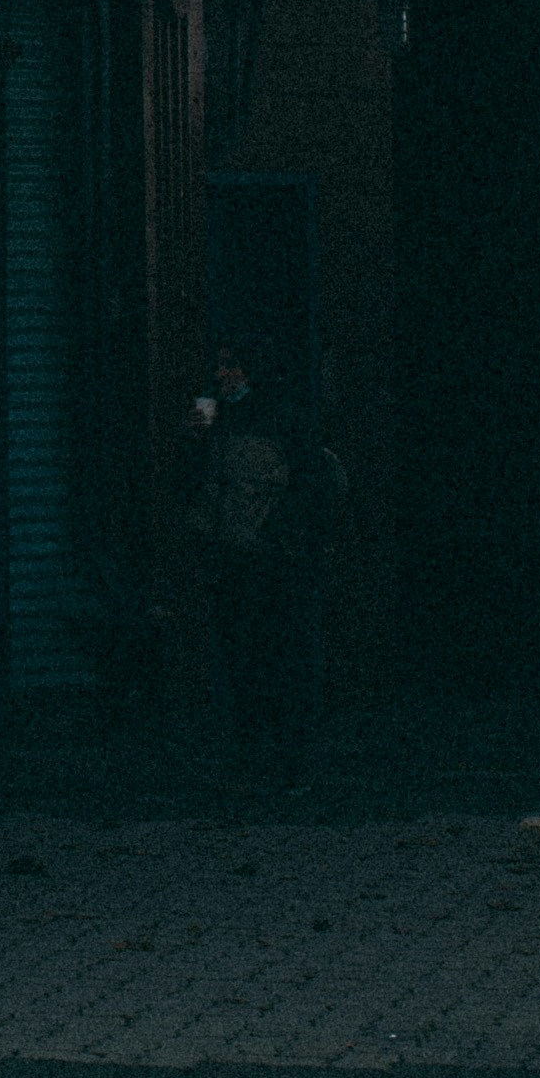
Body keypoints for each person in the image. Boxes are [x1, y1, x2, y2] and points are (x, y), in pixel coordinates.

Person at [185, 338, 338, 789]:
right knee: (244, 659)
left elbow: (313, 484)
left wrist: (280, 535)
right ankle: (256, 757)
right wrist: (193, 442)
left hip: (272, 561)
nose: (222, 375)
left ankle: (285, 759)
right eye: (220, 365)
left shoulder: (282, 419)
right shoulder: (220, 420)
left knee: (276, 659)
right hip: (235, 556)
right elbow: (199, 485)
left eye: (232, 365)